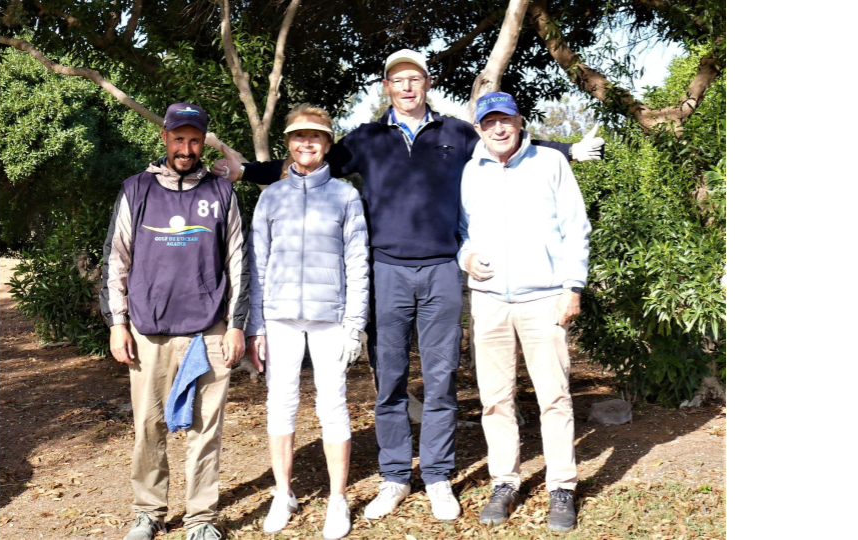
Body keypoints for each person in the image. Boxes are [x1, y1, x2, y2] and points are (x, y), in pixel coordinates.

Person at [214, 49, 603, 522]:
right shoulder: (368, 137)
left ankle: (437, 476)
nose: (406, 87)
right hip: (386, 271)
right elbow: (310, 158)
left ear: (427, 83)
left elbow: (505, 138)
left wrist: (567, 150)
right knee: (390, 381)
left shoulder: (457, 133)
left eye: (414, 78)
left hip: (441, 270)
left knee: (440, 380)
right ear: (387, 87)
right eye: (397, 80)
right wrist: (246, 172)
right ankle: (395, 476)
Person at [100, 102, 248, 540]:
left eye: (194, 140)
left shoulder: (221, 193)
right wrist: (117, 323)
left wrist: (236, 324)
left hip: (210, 330)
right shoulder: (137, 189)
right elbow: (116, 259)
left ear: (204, 143)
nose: (186, 148)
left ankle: (201, 518)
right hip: (150, 331)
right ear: (164, 138)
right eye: (178, 138)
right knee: (149, 427)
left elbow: (239, 261)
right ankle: (149, 512)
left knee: (206, 431)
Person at [457, 91, 591, 532]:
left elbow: (575, 227)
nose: (498, 128)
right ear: (478, 128)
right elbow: (461, 231)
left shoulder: (550, 163)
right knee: (495, 399)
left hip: (544, 298)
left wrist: (572, 288)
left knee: (554, 396)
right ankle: (504, 481)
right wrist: (465, 257)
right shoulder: (470, 172)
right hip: (489, 300)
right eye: (489, 122)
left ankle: (562, 487)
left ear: (519, 122)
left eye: (505, 120)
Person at [245, 104, 369, 539]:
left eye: (316, 136)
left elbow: (357, 263)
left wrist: (355, 324)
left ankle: (337, 499)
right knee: (281, 404)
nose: (307, 143)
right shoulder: (271, 197)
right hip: (279, 318)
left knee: (332, 405)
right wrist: (256, 325)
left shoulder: (345, 196)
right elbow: (257, 264)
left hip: (329, 318)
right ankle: (283, 494)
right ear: (289, 143)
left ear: (328, 144)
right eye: (299, 136)